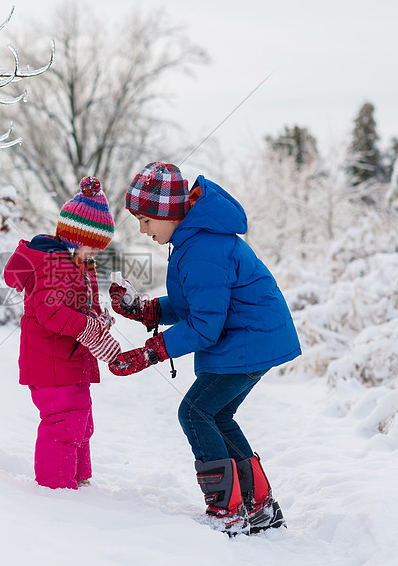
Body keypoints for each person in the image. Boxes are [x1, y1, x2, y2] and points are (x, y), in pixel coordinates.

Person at [108, 162, 301, 535]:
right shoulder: (195, 240)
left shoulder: (202, 248)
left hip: (248, 341)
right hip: (252, 339)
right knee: (217, 416)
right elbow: (197, 305)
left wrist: (152, 351)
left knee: (195, 414)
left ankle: (227, 511)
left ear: (168, 213)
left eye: (146, 221)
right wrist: (145, 309)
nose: (143, 230)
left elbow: (205, 327)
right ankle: (259, 507)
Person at [3, 176, 121, 490]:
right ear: (73, 237)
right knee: (64, 422)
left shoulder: (76, 266)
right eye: (92, 246)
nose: (95, 254)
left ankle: (78, 480)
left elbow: (77, 305)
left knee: (80, 422)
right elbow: (49, 312)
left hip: (69, 362)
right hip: (52, 364)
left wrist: (96, 318)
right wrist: (86, 325)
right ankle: (57, 488)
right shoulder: (56, 266)